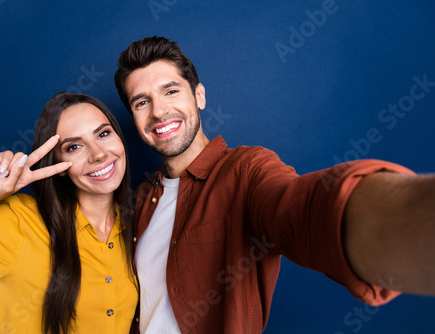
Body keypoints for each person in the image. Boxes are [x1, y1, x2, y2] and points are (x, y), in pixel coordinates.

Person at [114, 36, 435, 333]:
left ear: (199, 96)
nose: (158, 111)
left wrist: (410, 220)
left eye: (171, 91)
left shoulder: (246, 170)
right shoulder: (141, 199)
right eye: (142, 102)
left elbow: (300, 208)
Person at [0, 92, 138, 333]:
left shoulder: (139, 226)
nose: (99, 154)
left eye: (103, 134)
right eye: (74, 147)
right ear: (58, 165)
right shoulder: (19, 223)